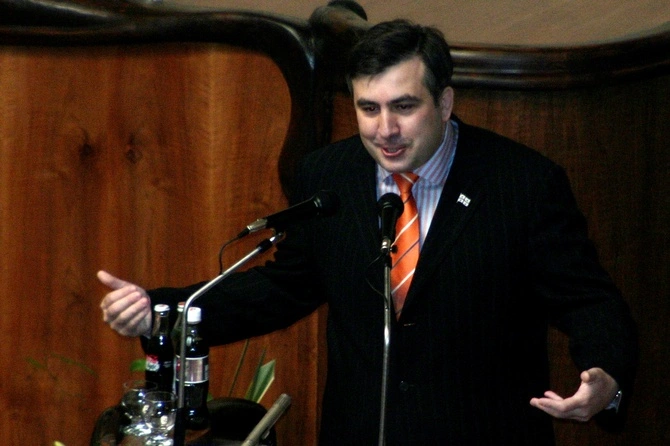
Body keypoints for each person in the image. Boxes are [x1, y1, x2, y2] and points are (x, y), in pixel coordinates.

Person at [99, 19, 637, 445]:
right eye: (369, 108)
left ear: (444, 103)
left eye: (404, 107)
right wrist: (162, 310)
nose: (386, 130)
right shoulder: (329, 175)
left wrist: (605, 377)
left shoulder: (522, 183)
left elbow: (588, 299)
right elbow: (285, 286)